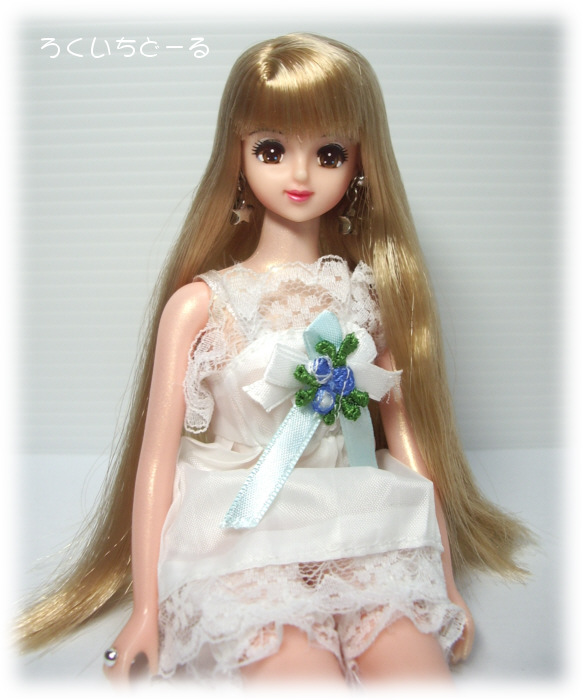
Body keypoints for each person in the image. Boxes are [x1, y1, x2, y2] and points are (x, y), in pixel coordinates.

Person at [18, 33, 529, 685]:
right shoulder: (202, 305)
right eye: (271, 149)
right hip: (241, 522)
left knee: (411, 666)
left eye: (328, 153)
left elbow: (410, 448)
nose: (299, 175)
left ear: (360, 163)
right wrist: (146, 609)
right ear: (237, 155)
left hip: (357, 512)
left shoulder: (366, 299)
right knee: (296, 671)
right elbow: (155, 462)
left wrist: (444, 580)